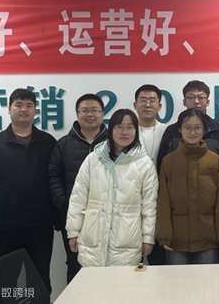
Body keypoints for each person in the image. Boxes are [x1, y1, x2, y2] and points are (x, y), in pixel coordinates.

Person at [0, 88, 57, 293]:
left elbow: (56, 182)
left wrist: (58, 218)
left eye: (29, 105)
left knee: (39, 280)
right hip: (6, 227)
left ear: (35, 110)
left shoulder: (48, 143)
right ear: (9, 109)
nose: (24, 109)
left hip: (40, 226)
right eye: (18, 105)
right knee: (6, 282)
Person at [66, 109, 158, 267]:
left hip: (127, 241)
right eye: (119, 127)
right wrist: (73, 231)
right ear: (111, 129)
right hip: (92, 238)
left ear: (136, 131)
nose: (124, 132)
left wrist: (148, 238)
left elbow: (150, 205)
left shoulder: (145, 164)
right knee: (92, 282)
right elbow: (78, 197)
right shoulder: (93, 159)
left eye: (130, 127)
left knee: (123, 282)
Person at [156, 108, 219, 264]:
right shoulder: (169, 162)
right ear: (180, 129)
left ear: (204, 130)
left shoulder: (214, 160)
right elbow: (162, 200)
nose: (192, 132)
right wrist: (164, 236)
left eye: (197, 127)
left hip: (208, 240)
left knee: (208, 280)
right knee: (176, 280)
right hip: (176, 241)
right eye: (188, 127)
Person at [48, 93, 108, 283]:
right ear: (77, 114)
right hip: (74, 216)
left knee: (107, 263)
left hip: (106, 215)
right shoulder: (63, 144)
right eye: (85, 110)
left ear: (102, 113)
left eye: (94, 110)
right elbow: (53, 176)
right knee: (75, 262)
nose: (90, 114)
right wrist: (65, 203)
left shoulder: (113, 144)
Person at [157, 80, 219, 195]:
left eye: (201, 98)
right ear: (184, 102)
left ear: (207, 102)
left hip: (212, 196)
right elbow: (162, 168)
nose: (196, 101)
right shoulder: (172, 131)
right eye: (191, 97)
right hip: (178, 196)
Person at [133, 84, 167, 166]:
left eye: (152, 101)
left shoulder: (166, 130)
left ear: (159, 106)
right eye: (143, 100)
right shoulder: (129, 130)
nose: (147, 105)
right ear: (135, 105)